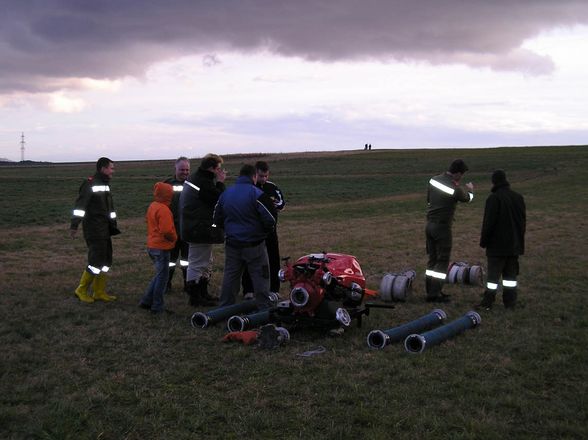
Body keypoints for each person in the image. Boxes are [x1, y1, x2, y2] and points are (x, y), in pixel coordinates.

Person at [214, 164, 276, 308]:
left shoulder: (226, 193)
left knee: (230, 277)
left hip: (232, 244)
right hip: (255, 245)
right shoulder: (257, 194)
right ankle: (263, 308)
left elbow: (217, 218)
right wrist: (264, 232)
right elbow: (271, 218)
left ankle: (225, 307)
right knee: (261, 276)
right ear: (254, 176)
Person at [70, 157, 121, 303]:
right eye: (111, 168)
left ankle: (99, 292)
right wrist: (74, 225)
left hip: (105, 229)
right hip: (94, 230)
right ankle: (81, 290)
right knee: (95, 260)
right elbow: (80, 206)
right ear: (103, 169)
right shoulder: (90, 183)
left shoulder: (105, 184)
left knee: (105, 261)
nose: (113, 171)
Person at [179, 153, 226, 307]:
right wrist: (220, 182)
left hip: (196, 227)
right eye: (218, 168)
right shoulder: (202, 182)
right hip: (198, 229)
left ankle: (202, 293)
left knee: (205, 261)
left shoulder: (197, 179)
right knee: (198, 263)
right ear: (212, 168)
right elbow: (218, 199)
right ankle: (195, 297)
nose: (220, 171)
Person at [425, 159, 474, 302]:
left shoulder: (434, 179)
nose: (462, 177)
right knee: (443, 260)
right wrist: (470, 190)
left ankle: (429, 290)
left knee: (432, 259)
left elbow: (429, 199)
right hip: (442, 228)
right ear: (458, 173)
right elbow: (467, 199)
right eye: (462, 174)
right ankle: (435, 294)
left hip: (429, 225)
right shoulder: (455, 188)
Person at [477, 170, 526, 310]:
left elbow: (489, 223)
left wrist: (484, 241)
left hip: (497, 247)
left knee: (492, 278)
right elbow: (522, 222)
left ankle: (487, 303)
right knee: (510, 277)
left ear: (494, 182)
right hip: (514, 245)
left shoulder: (494, 198)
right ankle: (510, 303)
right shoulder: (518, 197)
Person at [241, 160, 286, 299]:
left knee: (273, 259)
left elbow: (281, 203)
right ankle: (248, 290)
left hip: (270, 231)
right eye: (261, 176)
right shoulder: (248, 188)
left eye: (266, 176)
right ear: (255, 174)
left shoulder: (272, 187)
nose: (264, 179)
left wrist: (271, 205)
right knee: (250, 259)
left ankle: (274, 289)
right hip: (252, 231)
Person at [139, 182, 177, 313]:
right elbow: (166, 230)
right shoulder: (164, 209)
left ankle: (146, 301)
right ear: (168, 194)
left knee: (159, 275)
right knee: (162, 278)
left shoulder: (153, 206)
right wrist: (174, 238)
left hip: (152, 246)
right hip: (162, 247)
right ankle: (157, 306)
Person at [164, 157, 191, 292]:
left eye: (187, 169)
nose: (185, 172)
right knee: (170, 260)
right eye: (182, 169)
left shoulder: (193, 184)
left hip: (187, 229)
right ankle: (166, 283)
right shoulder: (167, 184)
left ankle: (188, 284)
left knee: (187, 260)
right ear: (175, 169)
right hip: (172, 229)